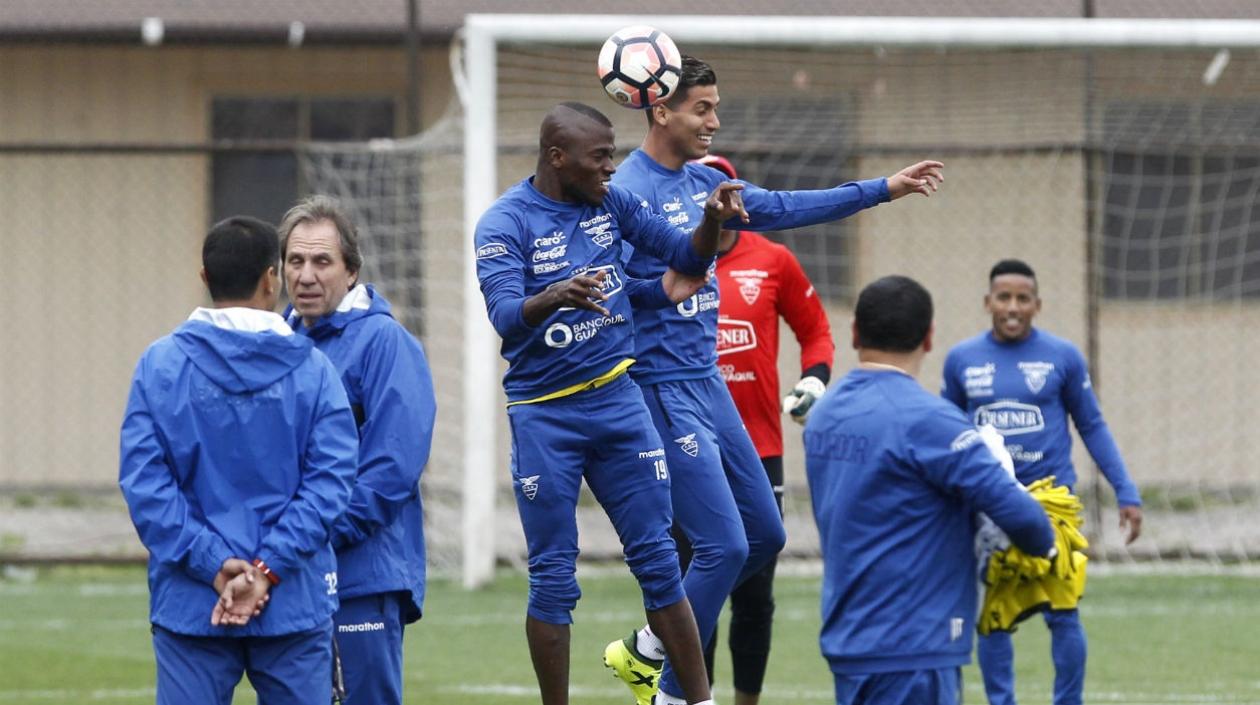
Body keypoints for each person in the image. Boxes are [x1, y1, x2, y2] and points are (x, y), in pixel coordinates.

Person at [604, 53, 944, 705]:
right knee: (724, 543)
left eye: (716, 108)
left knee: (766, 533)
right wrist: (666, 288)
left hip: (707, 384)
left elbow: (788, 206)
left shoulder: (704, 183)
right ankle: (674, 691)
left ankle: (647, 649)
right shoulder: (627, 193)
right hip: (660, 388)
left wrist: (885, 188)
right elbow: (613, 291)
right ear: (661, 110)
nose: (715, 121)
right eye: (703, 108)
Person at [474, 101, 745, 705]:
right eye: (599, 158)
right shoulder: (504, 223)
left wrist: (708, 223)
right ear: (556, 158)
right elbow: (504, 318)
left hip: (621, 404)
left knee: (657, 561)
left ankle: (694, 701)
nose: (611, 168)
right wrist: (556, 296)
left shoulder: (610, 202)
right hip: (545, 414)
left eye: (612, 155)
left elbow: (686, 257)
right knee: (551, 577)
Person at [119, 216, 358, 705]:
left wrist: (213, 564)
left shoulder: (159, 365)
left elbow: (146, 486)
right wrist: (266, 569)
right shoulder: (314, 370)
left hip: (193, 600)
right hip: (292, 595)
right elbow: (330, 484)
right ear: (272, 278)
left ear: (204, 278)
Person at [804, 274, 1055, 705]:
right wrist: (1047, 546)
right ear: (929, 338)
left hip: (849, 637)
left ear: (854, 333)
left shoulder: (824, 413)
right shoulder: (930, 421)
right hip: (915, 644)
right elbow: (1025, 520)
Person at [672, 153, 837, 705]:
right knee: (697, 583)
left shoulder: (773, 260)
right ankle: (697, 697)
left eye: (727, 185)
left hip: (759, 447)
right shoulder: (667, 259)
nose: (718, 196)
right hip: (688, 444)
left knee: (755, 593)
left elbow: (816, 331)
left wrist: (814, 380)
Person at [941, 258, 1144, 705]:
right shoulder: (961, 360)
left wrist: (1125, 491)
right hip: (990, 504)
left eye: (1022, 298)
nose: (1012, 307)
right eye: (1003, 297)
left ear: (1037, 305)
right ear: (987, 302)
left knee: (1064, 611)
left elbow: (1092, 425)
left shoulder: (1063, 356)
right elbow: (946, 431)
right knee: (993, 617)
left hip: (1053, 504)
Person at [279, 195, 437, 705]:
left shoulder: (385, 343)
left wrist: (312, 535)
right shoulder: (275, 343)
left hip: (361, 573)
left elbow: (392, 469)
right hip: (288, 571)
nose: (306, 275)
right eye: (295, 261)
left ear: (351, 272)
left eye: (322, 261)